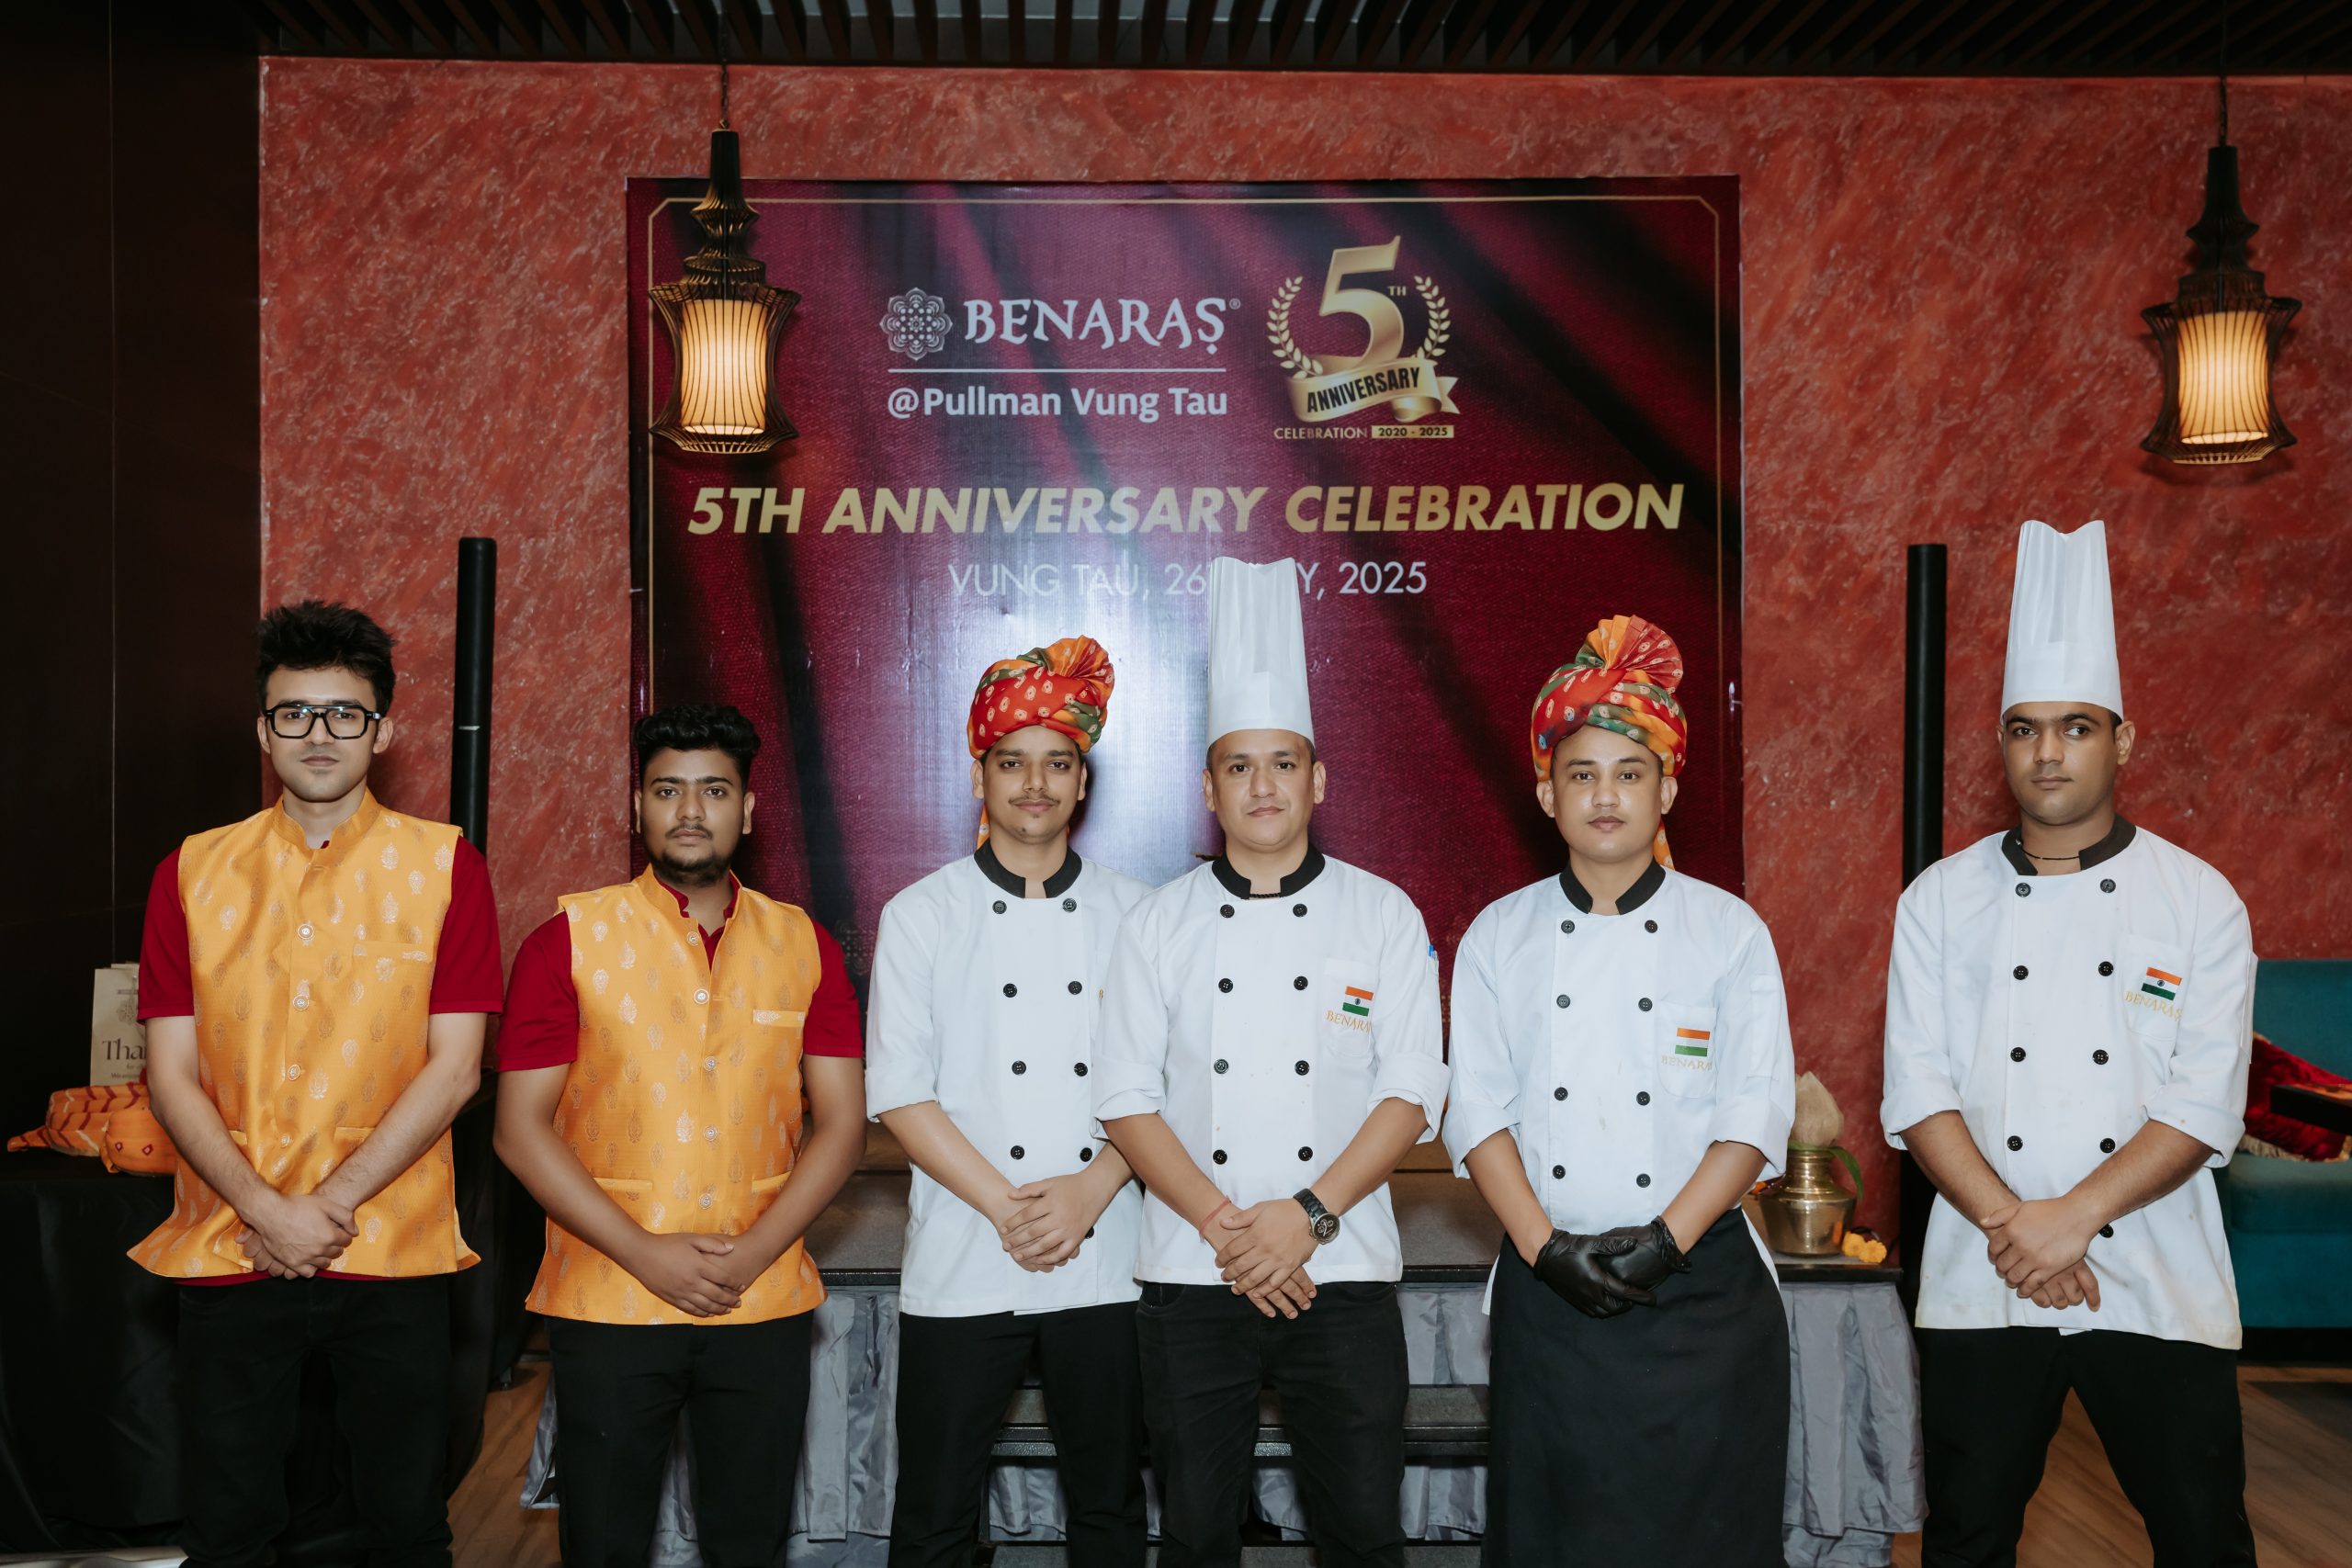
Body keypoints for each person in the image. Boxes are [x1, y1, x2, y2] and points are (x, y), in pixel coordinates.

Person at [1882, 520, 2258, 1567]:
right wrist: (2019, 1228)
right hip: (1982, 1268)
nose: (2047, 753)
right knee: (1966, 1538)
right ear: (2001, 743)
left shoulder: (2198, 898)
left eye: (2076, 727)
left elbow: (2203, 1102)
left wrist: (2071, 1220)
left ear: (2122, 741)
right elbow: (1916, 1091)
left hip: (2158, 1270)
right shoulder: (1938, 900)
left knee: (2203, 1538)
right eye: (2025, 729)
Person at [1093, 557, 1448, 1568]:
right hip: (1191, 1270)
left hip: (1342, 1267)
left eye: (1283, 763)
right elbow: (1125, 1099)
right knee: (1196, 1534)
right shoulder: (1158, 922)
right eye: (1239, 766)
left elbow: (1411, 1088)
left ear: (1317, 780)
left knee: (1363, 1532)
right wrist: (1228, 1227)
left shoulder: (1382, 913)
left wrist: (1306, 1217)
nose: (1262, 786)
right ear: (1209, 788)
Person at [134, 600, 504, 1568]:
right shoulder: (190, 871)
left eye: (345, 712)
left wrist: (323, 1209)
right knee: (227, 1529)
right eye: (294, 712)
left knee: (406, 1523)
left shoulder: (446, 866)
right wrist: (266, 1210)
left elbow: (456, 1067)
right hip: (231, 1240)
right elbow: (170, 1074)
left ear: (383, 730)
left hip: (392, 1244)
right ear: (263, 731)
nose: (319, 733)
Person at [1442, 615, 1795, 1566]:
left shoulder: (1729, 932)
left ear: (1666, 789)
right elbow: (1478, 1114)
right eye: (1582, 774)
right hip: (1548, 1292)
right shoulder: (1498, 936)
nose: (1605, 796)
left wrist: (1665, 1242)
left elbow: (1753, 1110)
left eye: (1630, 773)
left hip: (1704, 1294)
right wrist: (1544, 1248)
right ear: (1545, 793)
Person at [492, 703, 867, 1568]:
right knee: (604, 1542)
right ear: (638, 807)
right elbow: (518, 1130)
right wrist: (643, 1251)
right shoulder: (566, 941)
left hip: (759, 1296)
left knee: (750, 1542)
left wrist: (753, 1254)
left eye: (714, 790)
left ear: (748, 810)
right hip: (608, 1294)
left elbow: (844, 1125)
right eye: (668, 790)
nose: (690, 809)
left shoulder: (804, 945)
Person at [866, 637, 1152, 1567]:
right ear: (978, 775)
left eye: (1057, 763)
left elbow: (1162, 1085)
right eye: (1012, 762)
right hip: (964, 1245)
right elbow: (899, 1089)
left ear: (1082, 783)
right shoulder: (920, 913)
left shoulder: (1140, 914)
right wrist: (1008, 1206)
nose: (1035, 783)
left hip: (1104, 1250)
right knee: (933, 1514)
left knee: (1109, 1506)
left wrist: (1088, 1192)